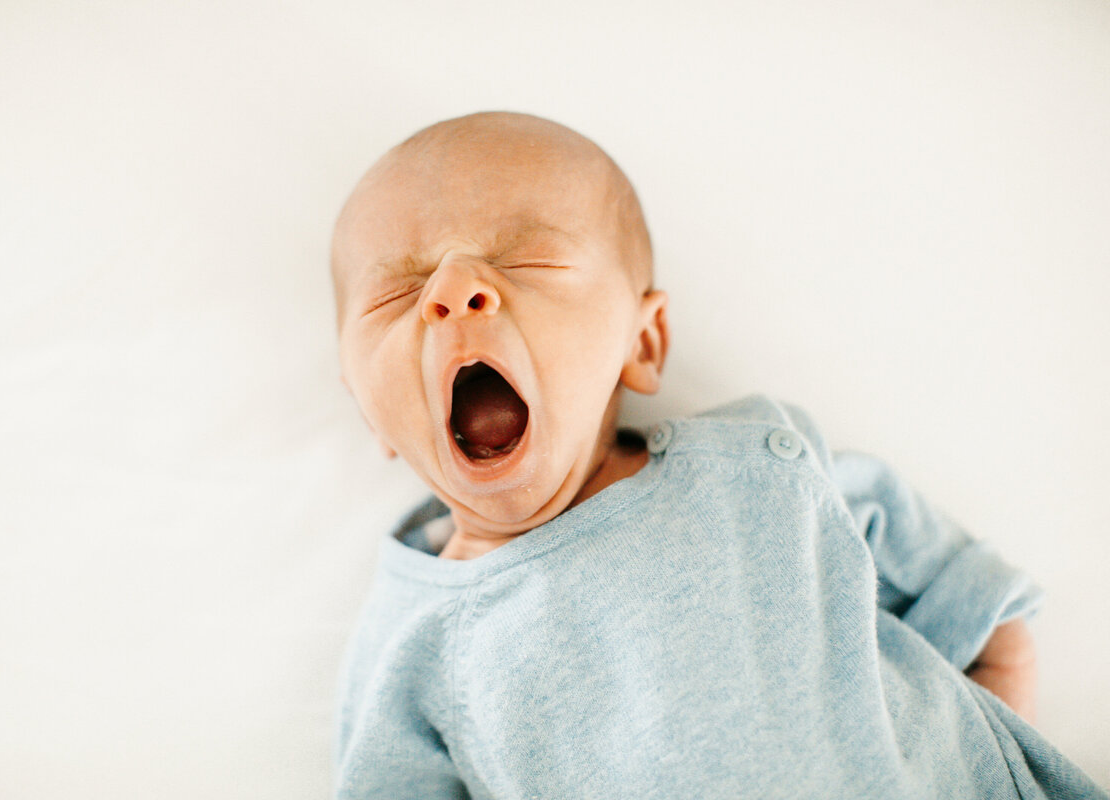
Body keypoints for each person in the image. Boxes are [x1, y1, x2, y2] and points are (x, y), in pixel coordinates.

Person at [329, 111, 1105, 798]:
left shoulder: (754, 465)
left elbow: (956, 582)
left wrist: (995, 715)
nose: (458, 289)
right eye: (397, 293)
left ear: (643, 341)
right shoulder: (411, 637)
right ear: (370, 410)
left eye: (526, 260)